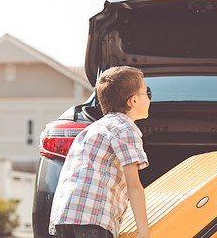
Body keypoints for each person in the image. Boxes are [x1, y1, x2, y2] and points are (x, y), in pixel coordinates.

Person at [49, 66, 152, 238]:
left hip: (64, 215)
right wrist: (144, 232)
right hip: (93, 218)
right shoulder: (125, 128)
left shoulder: (91, 129)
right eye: (147, 93)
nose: (149, 98)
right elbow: (134, 186)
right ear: (133, 100)